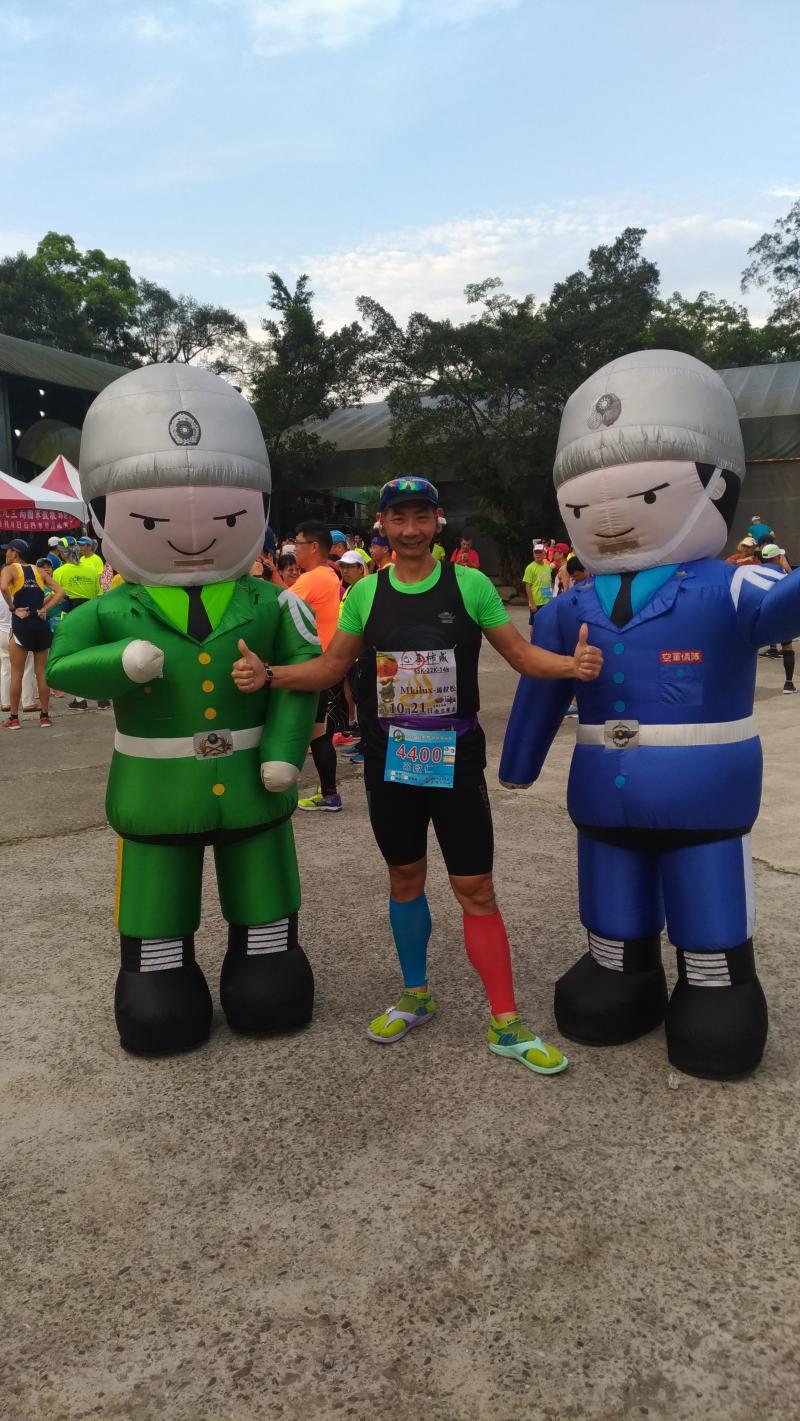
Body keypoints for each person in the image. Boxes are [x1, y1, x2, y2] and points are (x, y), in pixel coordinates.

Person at [233, 475, 603, 1075]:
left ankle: (506, 1021)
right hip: (391, 760)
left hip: (456, 759)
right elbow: (330, 667)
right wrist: (270, 675)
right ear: (382, 525)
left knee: (475, 888)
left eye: (421, 517)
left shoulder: (469, 585)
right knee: (404, 877)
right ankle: (415, 995)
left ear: (437, 521)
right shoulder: (364, 593)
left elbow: (520, 655)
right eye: (398, 518)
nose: (410, 530)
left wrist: (571, 666)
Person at [291, 522, 347, 812]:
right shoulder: (328, 574)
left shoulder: (312, 579)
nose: (294, 549)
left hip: (312, 667)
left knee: (308, 731)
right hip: (323, 664)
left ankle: (327, 794)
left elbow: (276, 609)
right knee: (318, 732)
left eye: (298, 543)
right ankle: (329, 793)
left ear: (313, 547)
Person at [1, 538, 64, 729]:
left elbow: (3, 587)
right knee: (41, 673)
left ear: (15, 553)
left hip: (22, 625)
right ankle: (44, 717)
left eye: (8, 550)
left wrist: (13, 608)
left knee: (17, 673)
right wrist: (45, 609)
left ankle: (14, 719)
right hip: (40, 625)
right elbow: (60, 591)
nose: (6, 554)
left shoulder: (9, 569)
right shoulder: (39, 571)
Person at [760, 544, 796, 692]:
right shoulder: (783, 575)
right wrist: (788, 569)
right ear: (777, 557)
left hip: (761, 617)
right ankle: (788, 684)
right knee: (787, 648)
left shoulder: (758, 571)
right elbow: (795, 586)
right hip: (781, 616)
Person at [522, 542, 553, 625]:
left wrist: (551, 599)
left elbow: (549, 583)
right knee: (535, 626)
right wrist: (532, 604)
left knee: (546, 624)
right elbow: (528, 586)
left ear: (544, 554)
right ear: (533, 554)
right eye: (536, 552)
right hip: (537, 603)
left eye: (540, 552)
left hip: (547, 601)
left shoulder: (548, 567)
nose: (538, 554)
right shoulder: (530, 568)